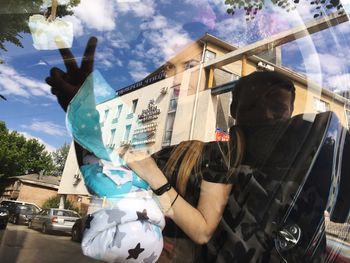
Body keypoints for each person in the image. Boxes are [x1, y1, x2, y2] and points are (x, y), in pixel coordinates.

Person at [47, 37, 296, 262]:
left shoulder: (291, 167)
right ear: (233, 110)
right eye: (253, 104)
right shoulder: (197, 153)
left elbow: (201, 231)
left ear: (291, 113)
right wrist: (83, 110)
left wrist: (153, 175)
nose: (265, 114)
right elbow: (115, 171)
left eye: (277, 107)